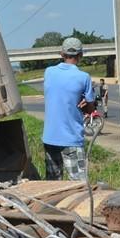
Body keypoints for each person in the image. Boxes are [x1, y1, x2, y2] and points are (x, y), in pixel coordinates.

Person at [42, 37, 94, 181]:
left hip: (50, 137)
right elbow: (90, 109)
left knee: (52, 185)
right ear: (81, 55)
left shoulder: (48, 72)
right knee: (79, 184)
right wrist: (84, 103)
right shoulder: (84, 77)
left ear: (61, 54)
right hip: (71, 138)